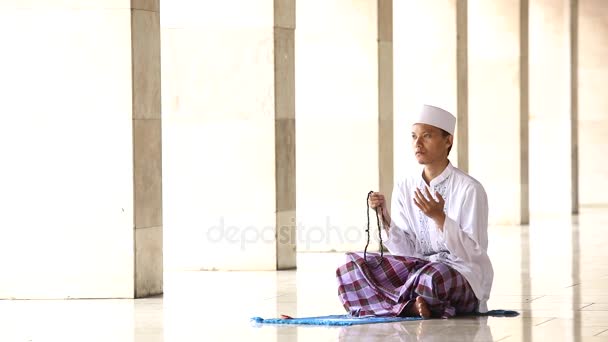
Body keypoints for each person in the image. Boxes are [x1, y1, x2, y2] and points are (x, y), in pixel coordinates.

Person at [336, 104, 493, 319]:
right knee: (351, 267)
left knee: (431, 278)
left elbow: (474, 254)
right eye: (413, 136)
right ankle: (410, 306)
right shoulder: (405, 186)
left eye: (426, 136)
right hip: (418, 267)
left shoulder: (469, 189)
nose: (417, 144)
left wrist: (440, 218)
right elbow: (407, 253)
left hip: (461, 273)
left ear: (448, 141)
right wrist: (384, 217)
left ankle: (391, 304)